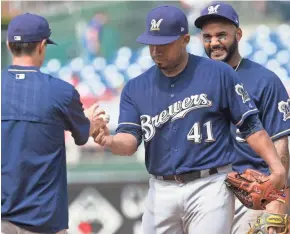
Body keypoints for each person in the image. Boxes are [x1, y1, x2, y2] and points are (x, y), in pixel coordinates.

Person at [94, 5, 286, 234]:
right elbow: (129, 141)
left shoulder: (233, 76)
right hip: (162, 187)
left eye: (164, 43)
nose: (156, 50)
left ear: (184, 40)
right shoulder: (136, 87)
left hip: (219, 184)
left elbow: (254, 128)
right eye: (151, 43)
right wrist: (108, 140)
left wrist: (279, 178)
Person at [1, 13, 107, 234]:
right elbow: (83, 134)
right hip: (43, 221)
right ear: (41, 46)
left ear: (10, 46)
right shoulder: (60, 92)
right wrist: (93, 123)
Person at [194, 2, 290, 234]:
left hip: (252, 194)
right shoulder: (192, 82)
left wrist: (277, 201)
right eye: (207, 36)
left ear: (238, 34)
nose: (214, 42)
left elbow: (281, 146)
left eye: (221, 35)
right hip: (203, 194)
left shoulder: (264, 81)